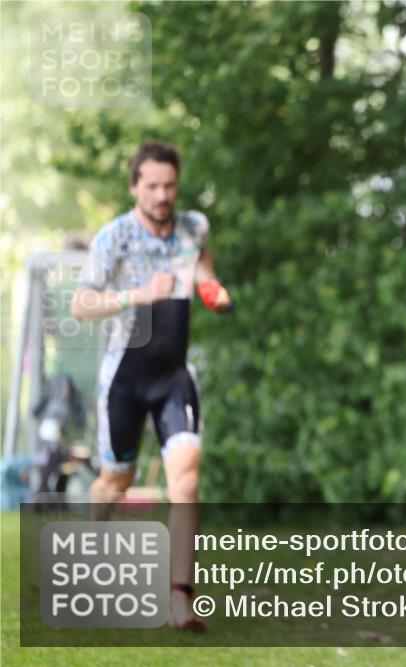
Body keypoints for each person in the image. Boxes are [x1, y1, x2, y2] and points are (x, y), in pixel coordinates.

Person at [71, 140, 231, 630]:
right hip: (124, 378)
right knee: (115, 480)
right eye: (153, 186)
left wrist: (213, 289)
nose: (163, 195)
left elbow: (203, 267)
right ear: (134, 186)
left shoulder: (193, 226)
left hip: (173, 376)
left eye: (170, 186)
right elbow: (81, 304)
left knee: (186, 482)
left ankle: (178, 597)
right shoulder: (113, 238)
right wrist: (140, 294)